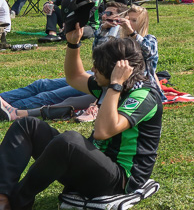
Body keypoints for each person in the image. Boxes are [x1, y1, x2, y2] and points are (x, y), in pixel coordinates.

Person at [0, 30, 163, 210]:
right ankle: (2, 196)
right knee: (26, 125)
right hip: (93, 167)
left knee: (69, 141)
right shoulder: (107, 84)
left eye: (97, 66)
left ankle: (17, 202)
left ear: (114, 71)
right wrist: (73, 44)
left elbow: (103, 132)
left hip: (119, 181)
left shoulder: (144, 96)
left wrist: (114, 86)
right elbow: (74, 77)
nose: (92, 69)